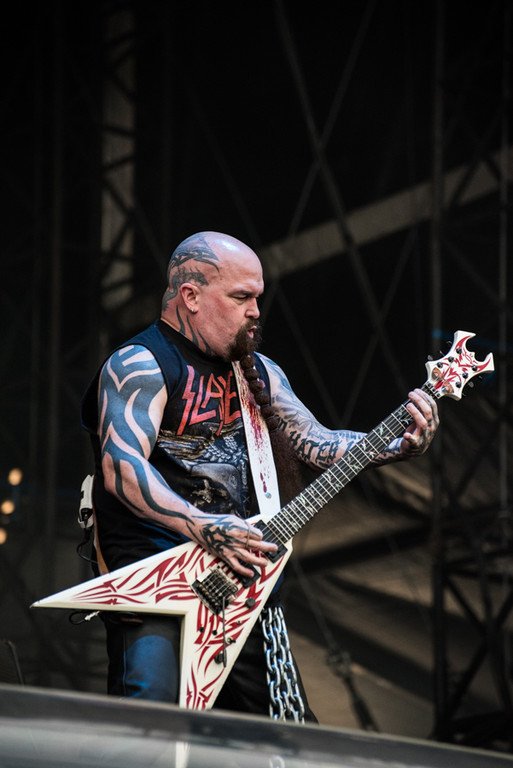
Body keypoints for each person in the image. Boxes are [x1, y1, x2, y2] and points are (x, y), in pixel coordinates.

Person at [81, 231, 439, 721]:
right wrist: (203, 525)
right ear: (191, 296)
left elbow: (315, 442)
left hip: (240, 583)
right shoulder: (140, 364)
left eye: (258, 297)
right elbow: (122, 469)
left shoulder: (260, 373)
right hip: (159, 587)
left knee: (285, 734)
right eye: (241, 297)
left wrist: (392, 446)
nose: (254, 311)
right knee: (152, 725)